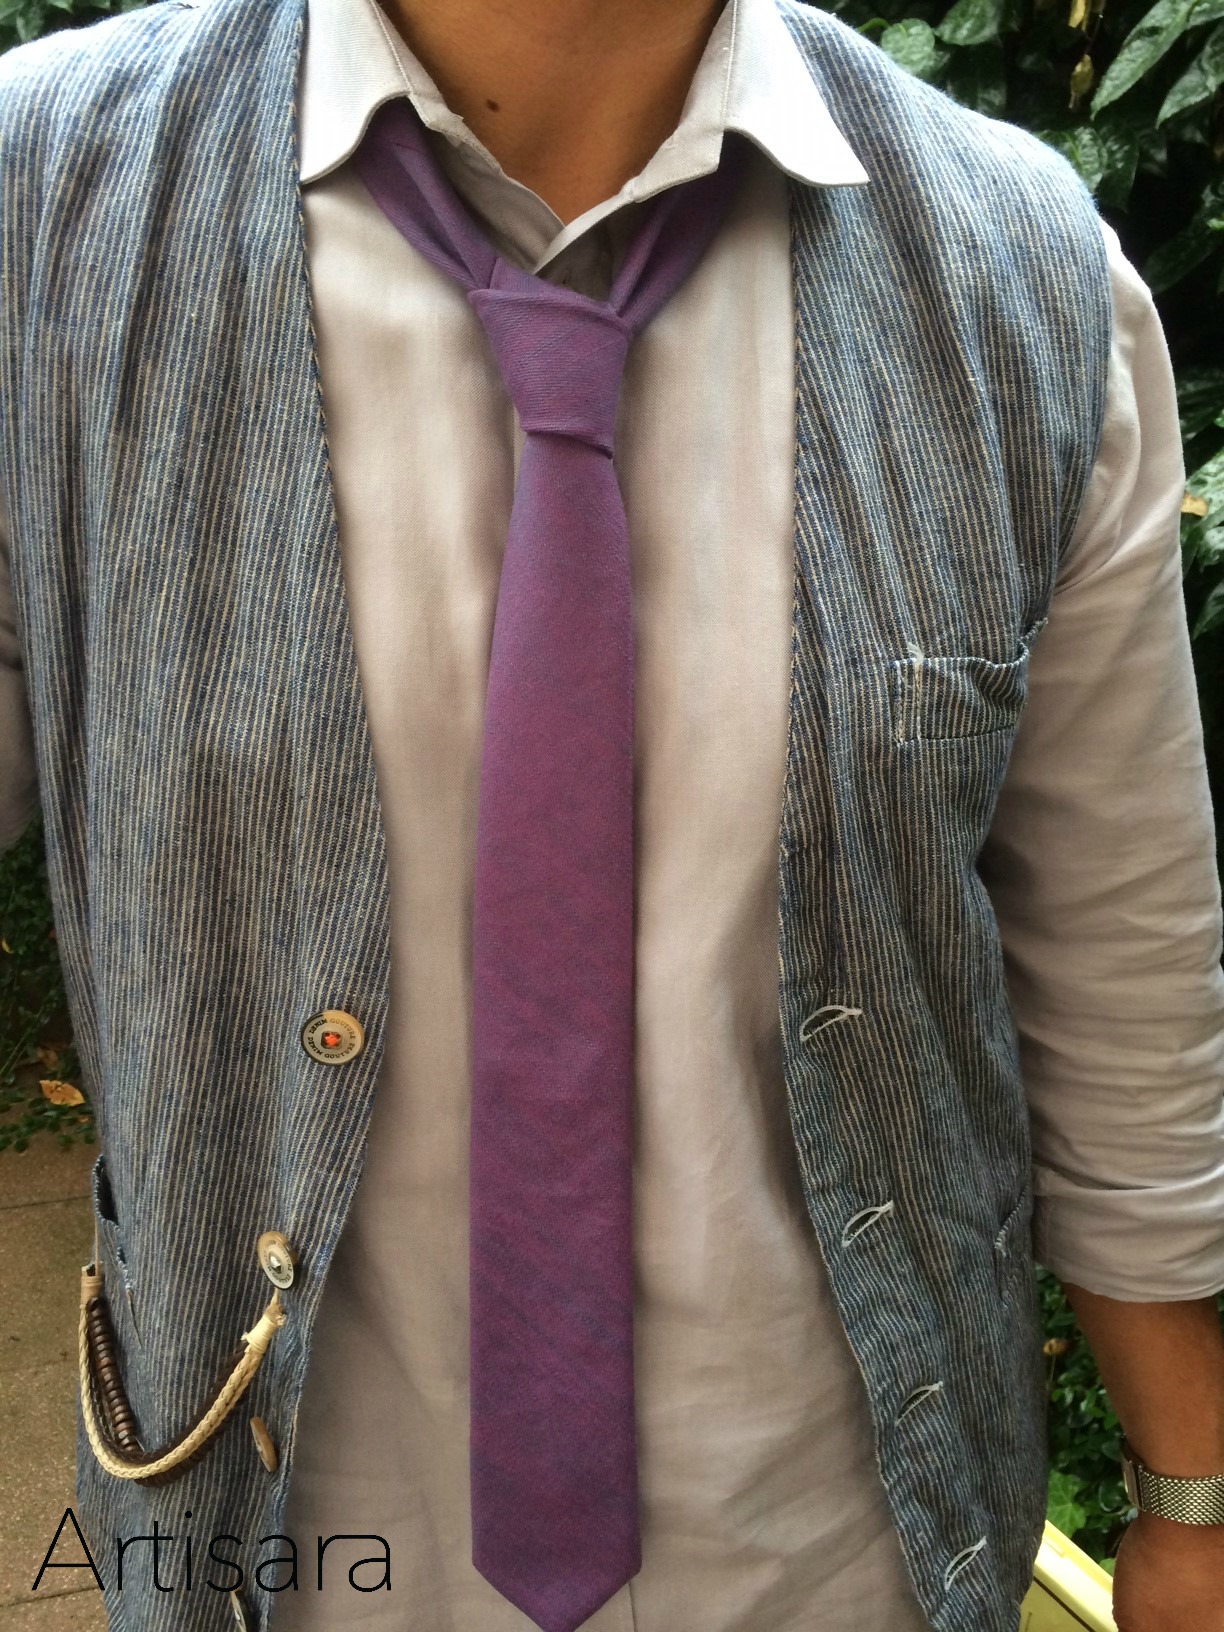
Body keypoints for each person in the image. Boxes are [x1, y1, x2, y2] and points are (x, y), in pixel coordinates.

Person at [0, 0, 1222, 1628]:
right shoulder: (45, 209)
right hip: (269, 1552)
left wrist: (1192, 1497)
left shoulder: (1019, 276)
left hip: (842, 1557)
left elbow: (1123, 961)